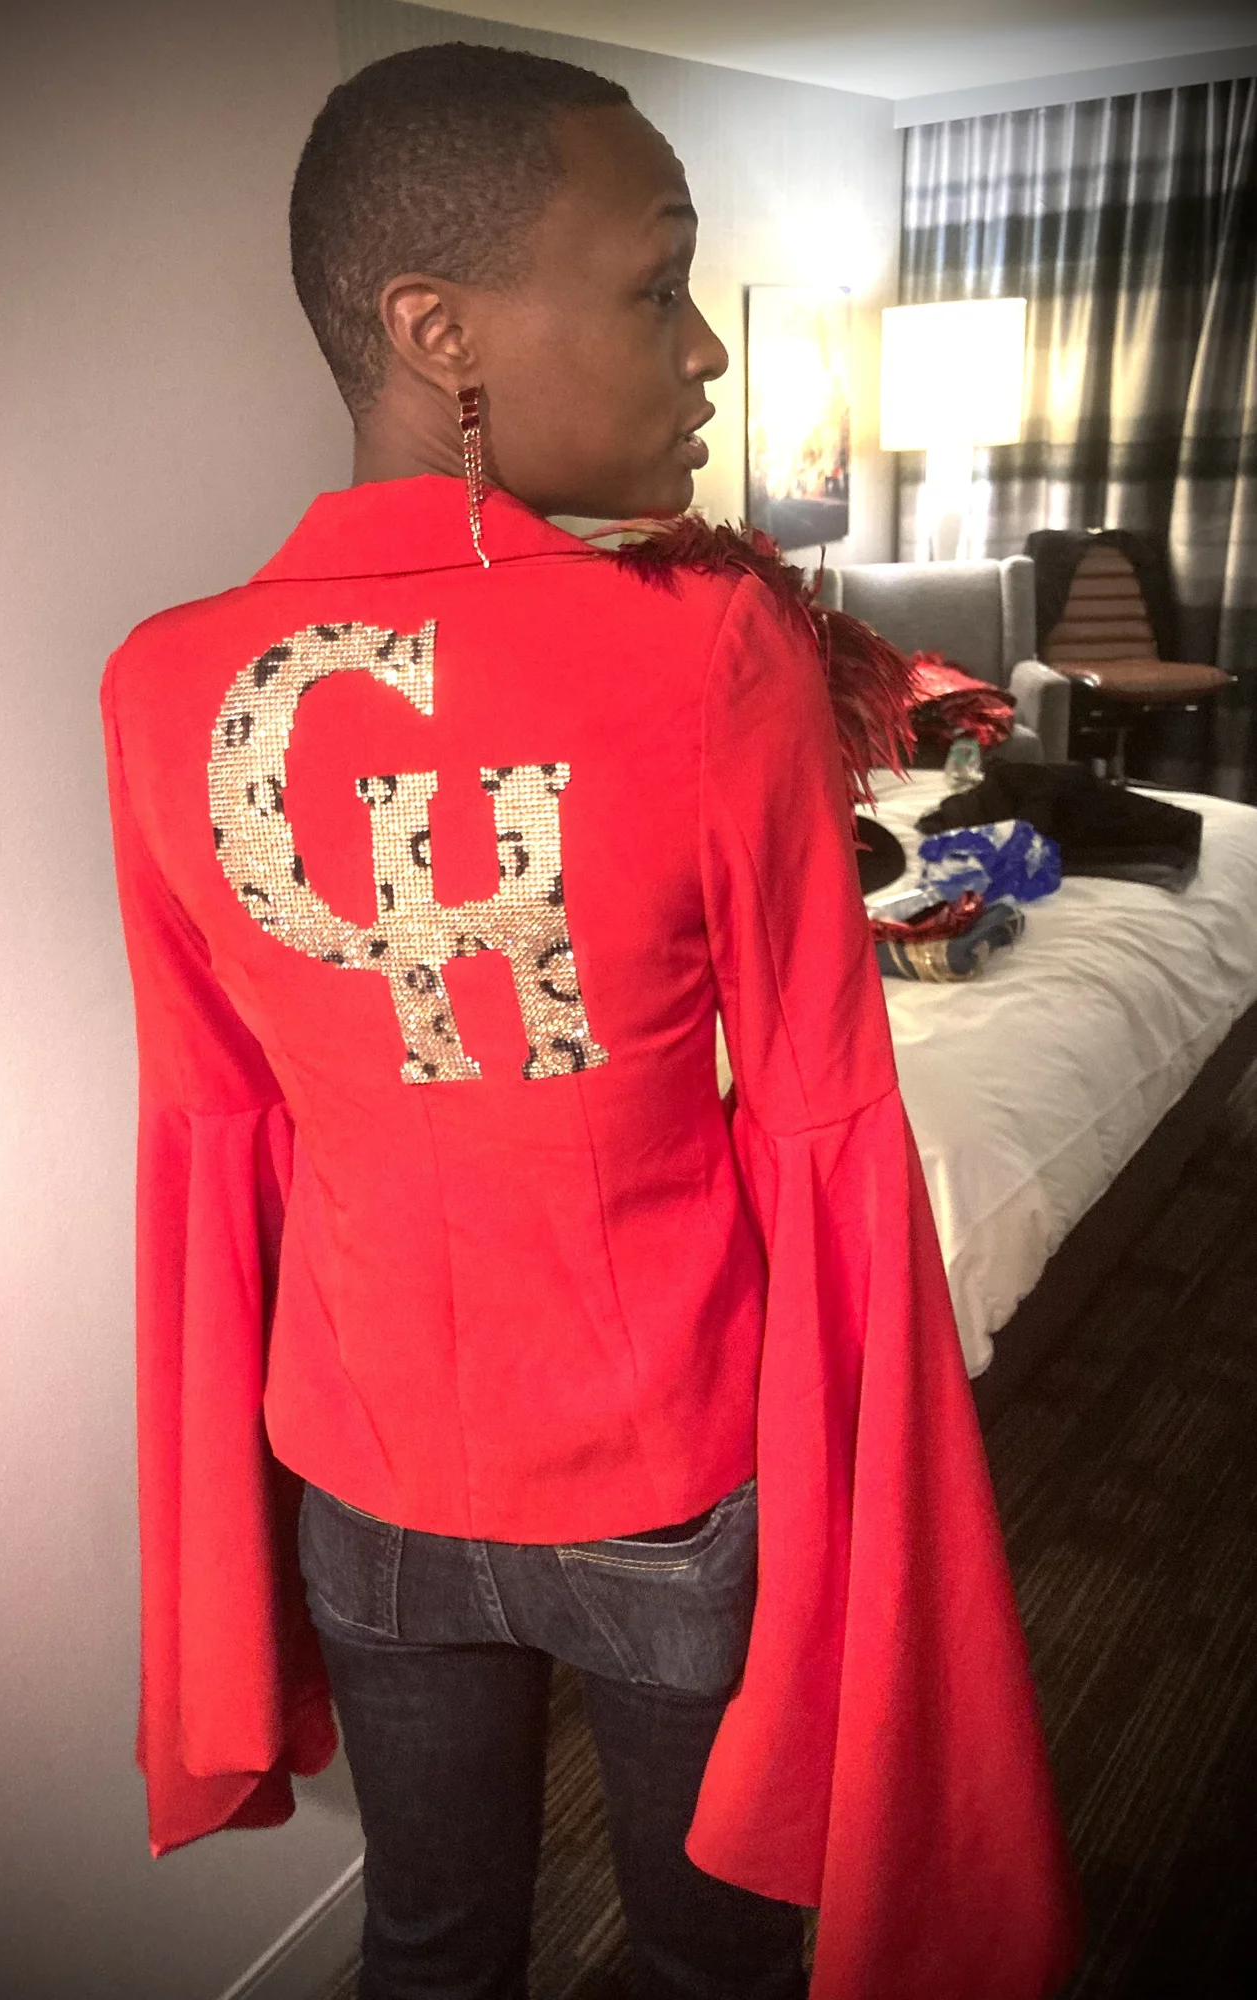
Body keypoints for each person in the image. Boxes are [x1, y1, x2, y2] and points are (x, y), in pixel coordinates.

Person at [101, 42, 1079, 2000]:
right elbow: (823, 1119)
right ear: (436, 331)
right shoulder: (709, 642)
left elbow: (215, 1139)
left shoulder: (158, 685)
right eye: (657, 286)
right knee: (712, 1955)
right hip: (661, 1466)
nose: (705, 351)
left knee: (428, 1939)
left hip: (360, 1460)